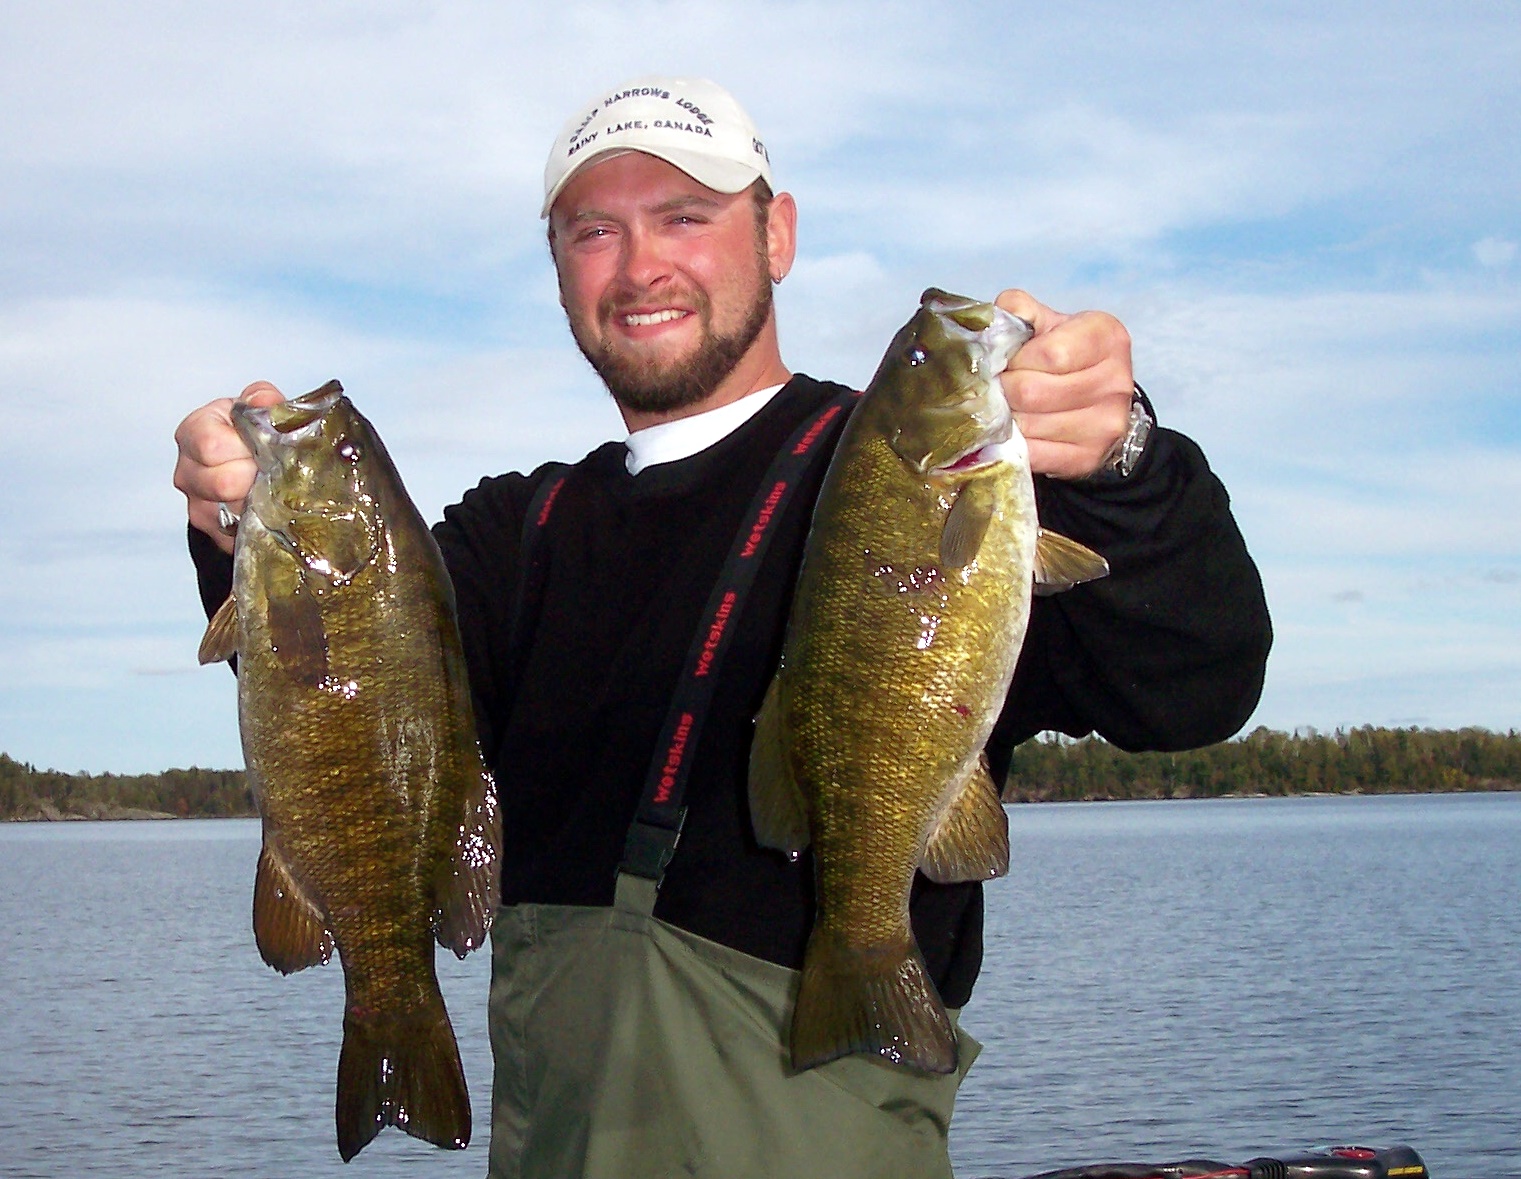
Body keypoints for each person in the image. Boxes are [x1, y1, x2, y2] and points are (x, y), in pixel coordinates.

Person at [174, 77, 1271, 1179]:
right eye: (595, 231)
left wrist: (1123, 464)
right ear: (558, 267)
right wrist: (238, 527)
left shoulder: (910, 479)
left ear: (777, 233)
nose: (641, 264)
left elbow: (1194, 683)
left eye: (686, 217)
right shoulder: (514, 535)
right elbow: (346, 696)